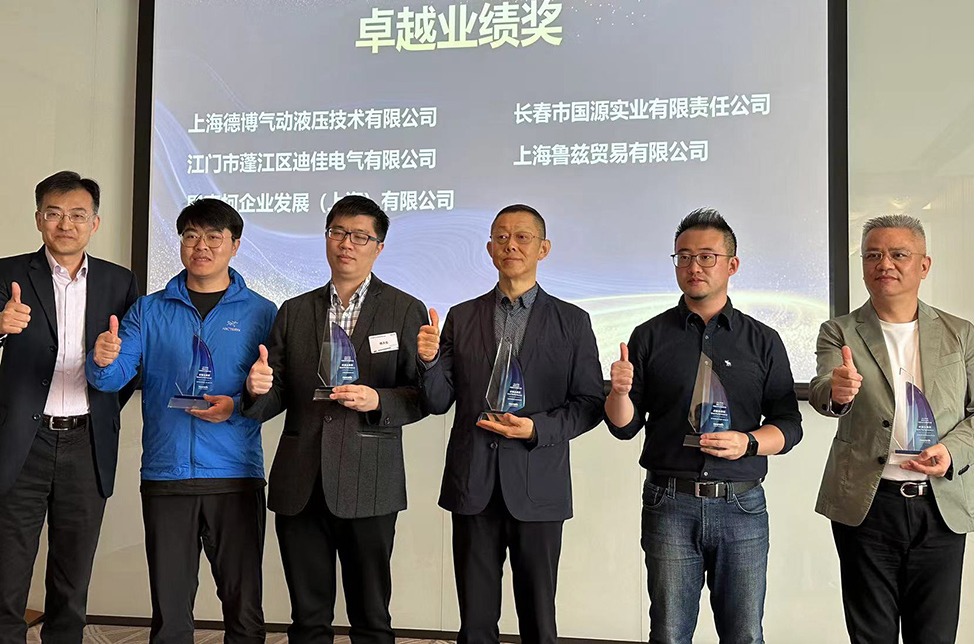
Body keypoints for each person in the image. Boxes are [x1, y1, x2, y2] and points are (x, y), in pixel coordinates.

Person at [605, 207, 802, 644]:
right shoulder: (649, 336)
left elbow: (789, 424)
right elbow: (624, 427)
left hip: (742, 505)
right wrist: (618, 393)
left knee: (744, 634)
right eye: (683, 257)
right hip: (669, 504)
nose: (694, 266)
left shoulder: (763, 340)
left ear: (732, 264)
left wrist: (748, 443)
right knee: (669, 633)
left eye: (707, 256)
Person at [86, 198, 276, 644]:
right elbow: (112, 378)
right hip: (167, 474)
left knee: (244, 610)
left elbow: (277, 390)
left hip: (234, 474)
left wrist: (242, 401)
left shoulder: (262, 312)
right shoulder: (149, 310)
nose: (201, 246)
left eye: (213, 237)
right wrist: (102, 359)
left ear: (235, 245)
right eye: (191, 236)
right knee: (170, 615)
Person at [242, 195, 426, 643]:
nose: (346, 243)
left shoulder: (405, 309)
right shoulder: (295, 310)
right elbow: (278, 393)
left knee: (371, 617)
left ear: (378, 247)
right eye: (338, 232)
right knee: (308, 619)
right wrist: (257, 390)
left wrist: (377, 400)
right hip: (301, 480)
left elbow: (422, 396)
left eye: (360, 236)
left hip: (370, 480)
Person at [417, 203, 604, 644]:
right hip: (473, 485)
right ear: (489, 248)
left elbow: (590, 404)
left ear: (543, 248)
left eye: (522, 237)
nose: (511, 245)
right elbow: (439, 401)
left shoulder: (572, 321)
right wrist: (428, 362)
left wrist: (537, 429)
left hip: (538, 486)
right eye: (501, 237)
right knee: (475, 621)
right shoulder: (462, 316)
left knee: (539, 620)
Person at [810, 214, 974, 644]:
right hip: (867, 504)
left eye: (899, 254)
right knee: (870, 634)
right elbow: (823, 389)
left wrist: (951, 452)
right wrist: (838, 392)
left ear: (924, 265)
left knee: (934, 634)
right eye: (873, 255)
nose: (885, 264)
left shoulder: (959, 333)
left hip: (941, 504)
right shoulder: (838, 331)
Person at [0, 171, 139, 644]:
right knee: (6, 573)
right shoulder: (7, 275)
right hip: (22, 442)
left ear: (95, 223)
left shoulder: (119, 282)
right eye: (54, 213)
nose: (66, 224)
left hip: (87, 440)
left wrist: (106, 383)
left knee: (72, 577)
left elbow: (132, 366)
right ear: (38, 218)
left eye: (78, 215)